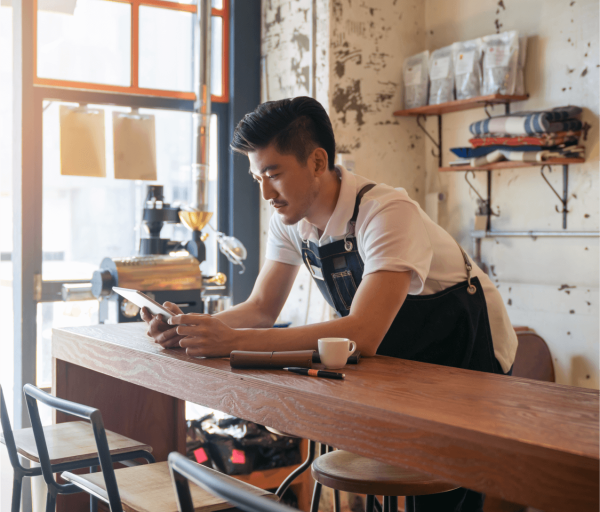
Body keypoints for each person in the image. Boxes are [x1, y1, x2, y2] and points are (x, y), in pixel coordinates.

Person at [142, 96, 517, 512]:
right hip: (402, 363)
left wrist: (230, 340)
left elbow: (362, 334)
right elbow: (262, 308)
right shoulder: (291, 222)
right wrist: (190, 329)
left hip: (468, 361)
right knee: (387, 486)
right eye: (256, 177)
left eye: (274, 173)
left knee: (444, 497)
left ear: (318, 162)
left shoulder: (386, 212)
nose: (265, 192)